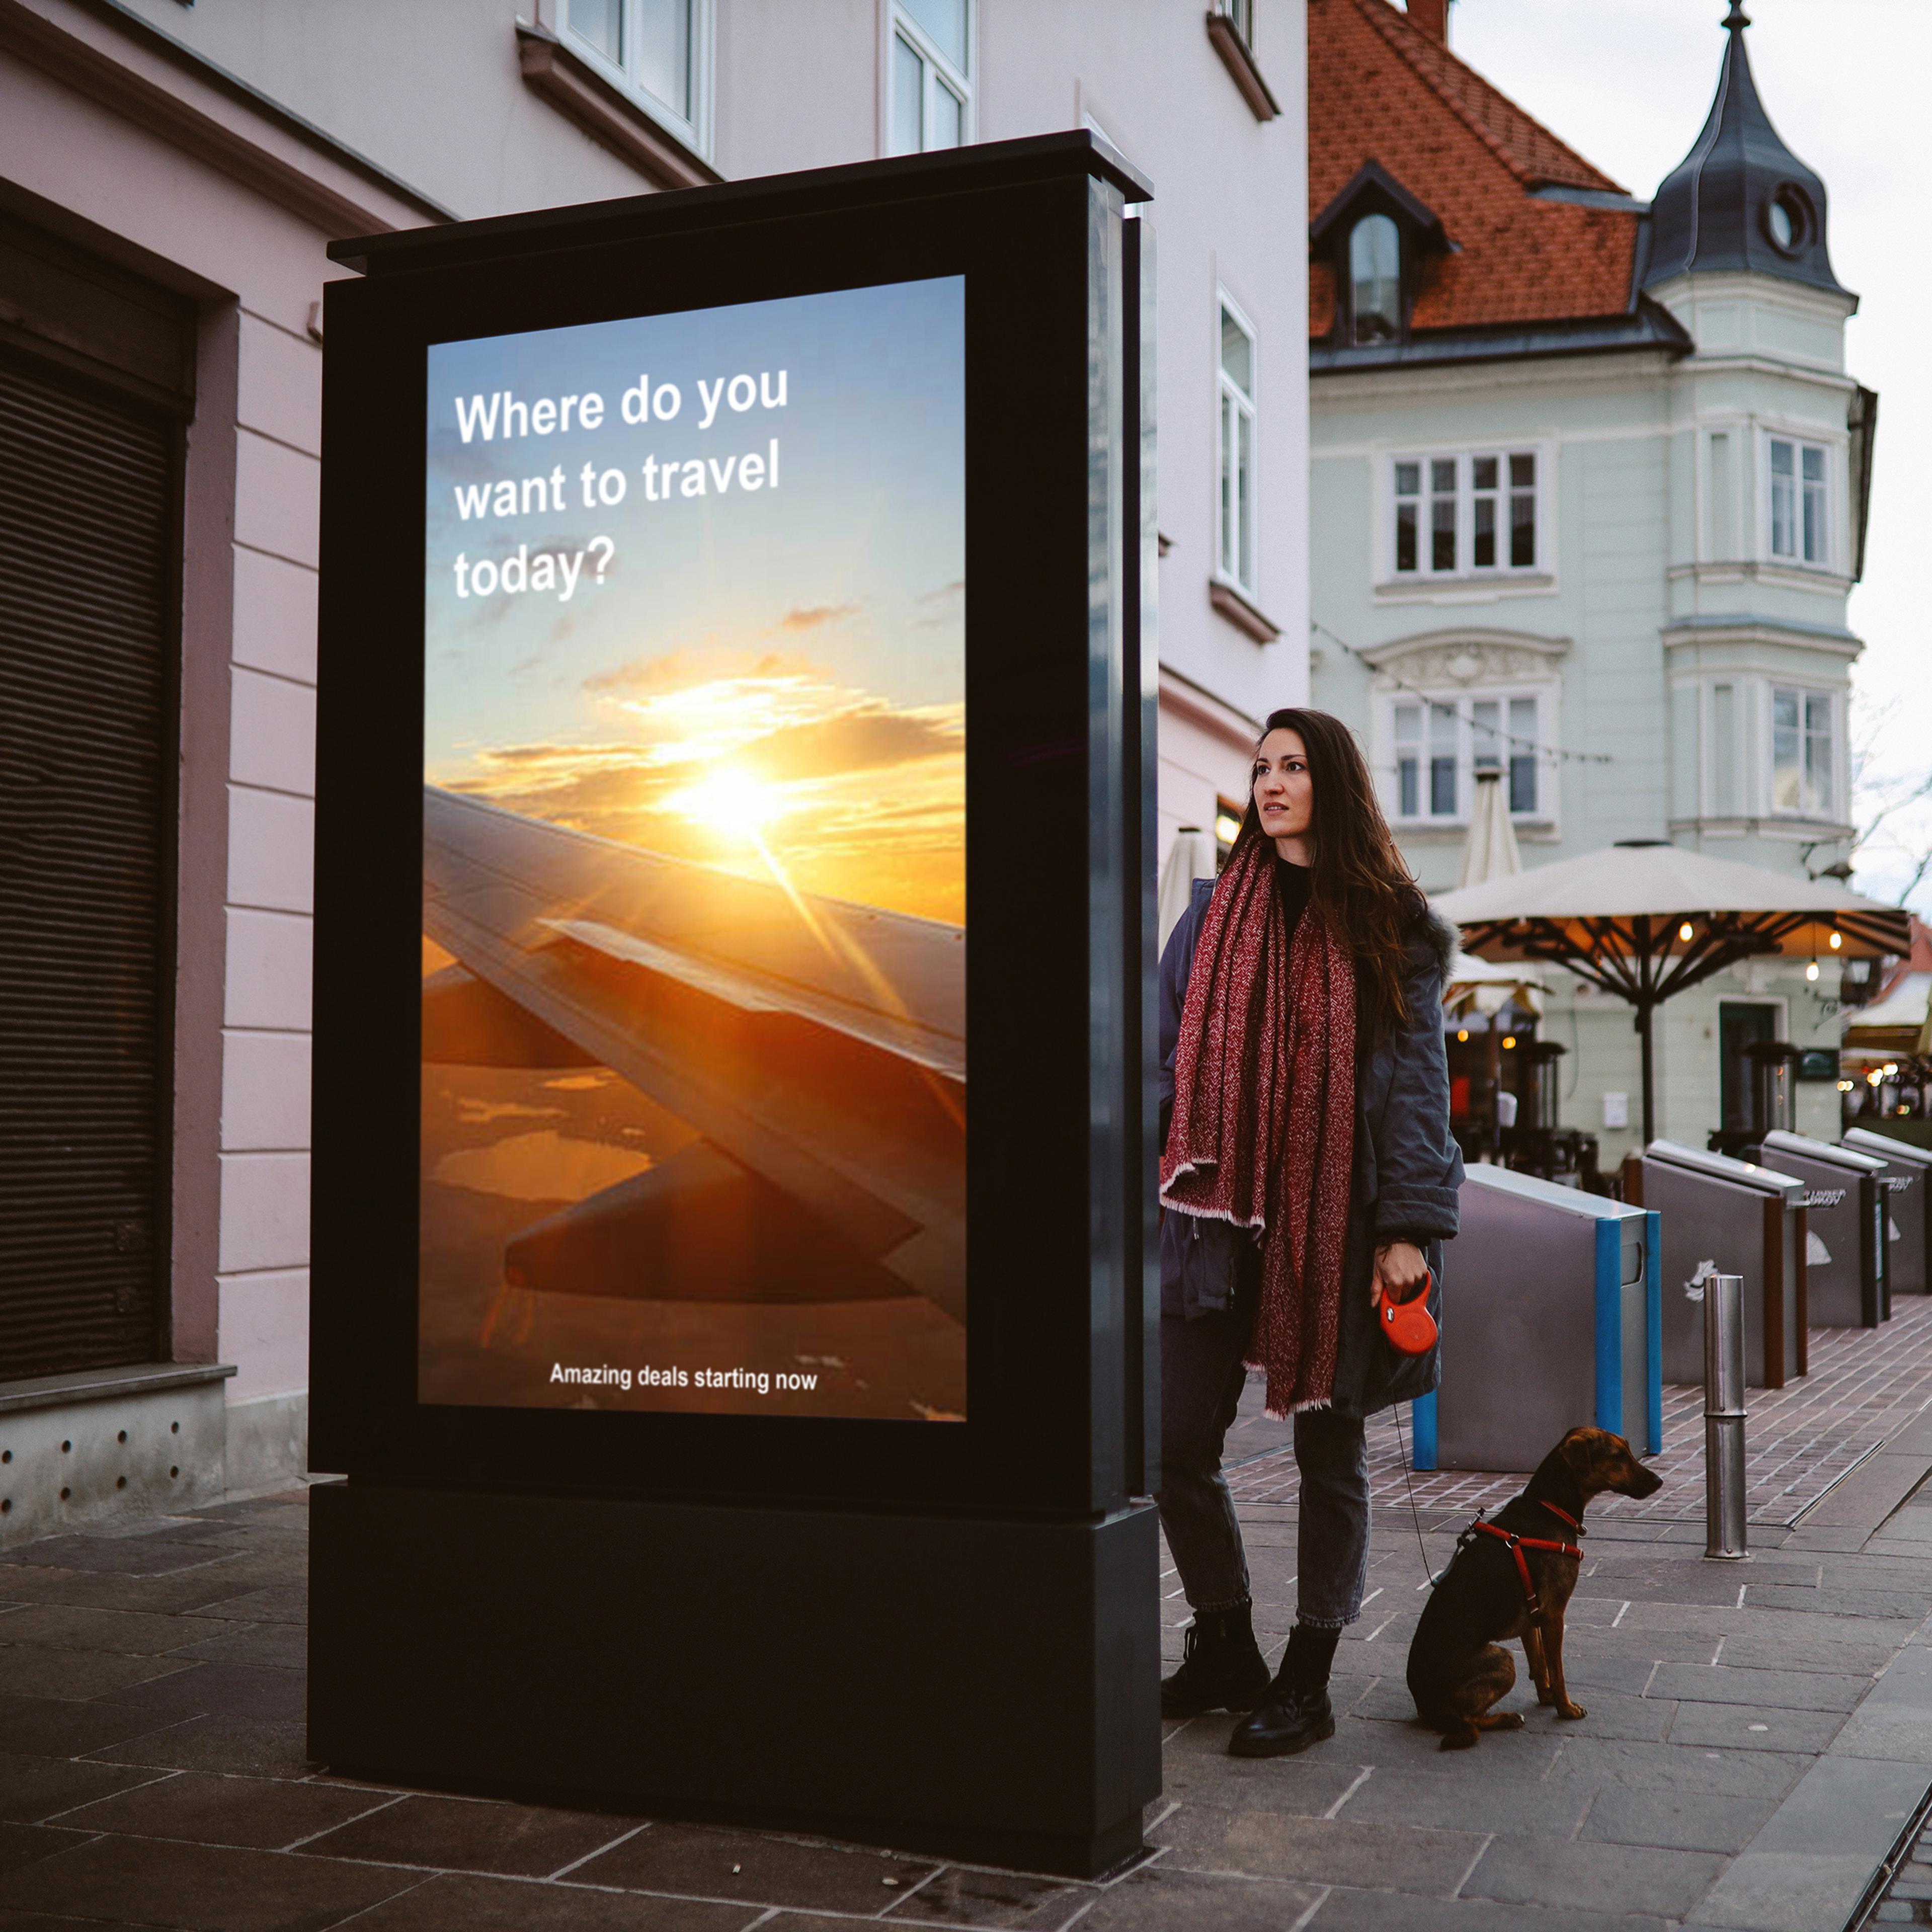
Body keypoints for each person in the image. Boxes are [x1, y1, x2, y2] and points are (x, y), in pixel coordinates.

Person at [1156, 707, 1463, 1758]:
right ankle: (1227, 1641)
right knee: (1175, 1440)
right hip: (1215, 1222)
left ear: (1331, 781)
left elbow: (1418, 1089)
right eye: (1260, 766)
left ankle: (1311, 1669)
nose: (1272, 781)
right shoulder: (1207, 919)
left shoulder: (1390, 925)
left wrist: (1412, 1225)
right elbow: (1162, 1059)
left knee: (1328, 1449)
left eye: (1293, 765)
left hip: (1337, 1222)